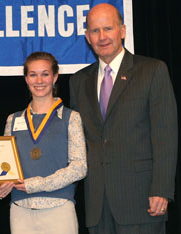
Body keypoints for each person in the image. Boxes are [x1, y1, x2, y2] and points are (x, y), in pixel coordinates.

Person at [69, 3, 178, 234]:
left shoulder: (152, 70)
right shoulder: (78, 81)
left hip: (141, 199)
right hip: (97, 203)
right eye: (95, 31)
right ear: (87, 37)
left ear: (123, 30)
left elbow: (165, 135)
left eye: (108, 28)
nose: (102, 37)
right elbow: (76, 141)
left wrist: (161, 188)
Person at [0, 52, 87, 234]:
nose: (39, 80)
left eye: (45, 74)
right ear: (26, 79)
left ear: (55, 77)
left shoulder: (71, 118)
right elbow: (5, 167)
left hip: (58, 209)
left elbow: (79, 167)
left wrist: (35, 185)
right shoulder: (13, 119)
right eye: (33, 74)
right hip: (20, 210)